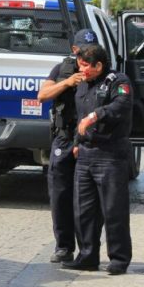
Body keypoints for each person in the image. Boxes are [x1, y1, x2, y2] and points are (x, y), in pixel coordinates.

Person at [64, 44, 134, 275]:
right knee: (83, 210)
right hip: (86, 154)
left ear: (99, 65)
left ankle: (119, 259)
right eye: (79, 64)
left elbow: (121, 106)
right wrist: (77, 142)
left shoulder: (118, 81)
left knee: (113, 210)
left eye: (85, 65)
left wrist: (96, 116)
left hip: (110, 154)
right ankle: (87, 256)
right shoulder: (82, 84)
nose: (80, 69)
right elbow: (79, 117)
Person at [36, 28, 99, 264]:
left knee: (88, 199)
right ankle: (64, 246)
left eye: (92, 50)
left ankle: (88, 250)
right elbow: (42, 95)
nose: (87, 56)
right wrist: (68, 82)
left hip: (89, 140)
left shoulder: (101, 70)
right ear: (74, 50)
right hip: (64, 138)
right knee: (60, 195)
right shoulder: (62, 69)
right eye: (83, 51)